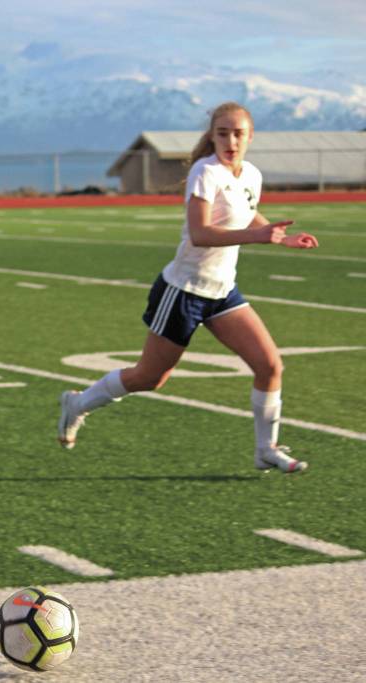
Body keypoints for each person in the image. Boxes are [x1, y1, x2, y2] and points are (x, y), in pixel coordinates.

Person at [57, 102, 319, 473]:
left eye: (238, 133)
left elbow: (246, 213)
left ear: (250, 136)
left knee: (270, 365)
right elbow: (200, 233)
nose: (230, 140)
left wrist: (281, 237)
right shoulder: (205, 172)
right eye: (223, 133)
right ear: (212, 136)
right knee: (150, 377)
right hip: (184, 291)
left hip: (222, 292)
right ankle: (78, 404)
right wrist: (258, 236)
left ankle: (266, 449)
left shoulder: (251, 175)